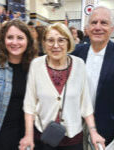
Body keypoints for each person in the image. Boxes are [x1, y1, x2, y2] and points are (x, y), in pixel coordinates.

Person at [19, 22, 105, 150]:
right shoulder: (36, 65)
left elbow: (85, 103)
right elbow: (29, 104)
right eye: (50, 40)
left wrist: (93, 131)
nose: (55, 45)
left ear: (68, 42)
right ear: (44, 43)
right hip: (43, 136)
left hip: (73, 138)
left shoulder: (79, 64)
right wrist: (28, 135)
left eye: (61, 40)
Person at [72, 6, 114, 147]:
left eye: (104, 23)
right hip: (77, 123)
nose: (98, 27)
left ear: (112, 28)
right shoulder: (76, 53)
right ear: (87, 27)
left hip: (108, 126)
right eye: (94, 22)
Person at [0, 19, 37, 150]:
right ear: (3, 40)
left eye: (20, 38)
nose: (15, 42)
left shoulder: (36, 65)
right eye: (10, 37)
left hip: (29, 130)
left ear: (28, 41)